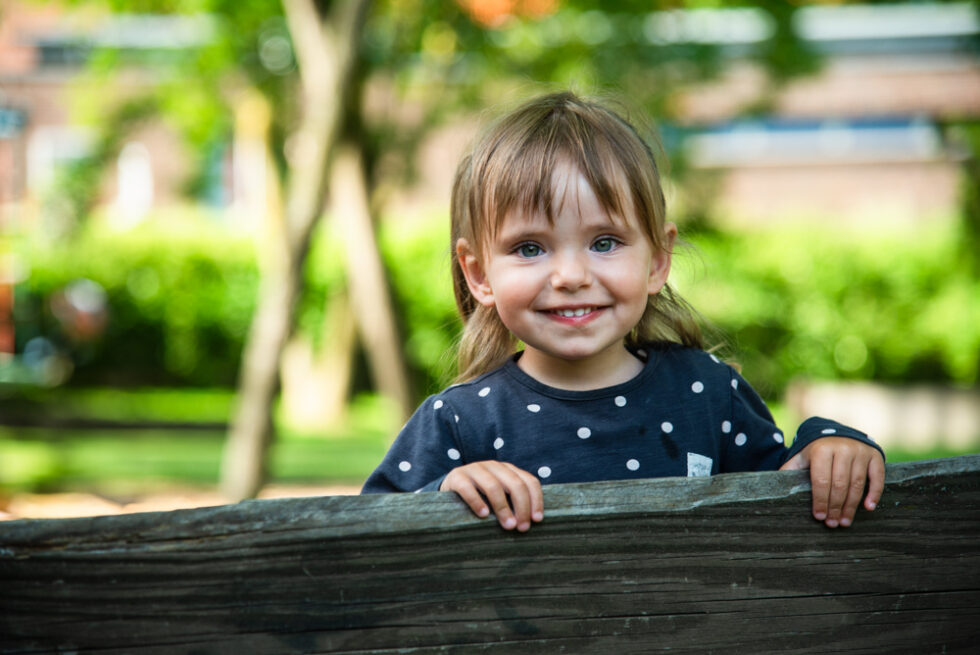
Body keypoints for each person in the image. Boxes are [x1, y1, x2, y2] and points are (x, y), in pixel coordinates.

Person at [362, 91, 884, 532]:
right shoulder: (458, 423)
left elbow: (781, 493)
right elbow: (364, 535)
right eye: (529, 248)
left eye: (605, 242)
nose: (570, 276)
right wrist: (444, 493)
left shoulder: (708, 395)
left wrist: (829, 446)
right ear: (479, 274)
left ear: (657, 260)